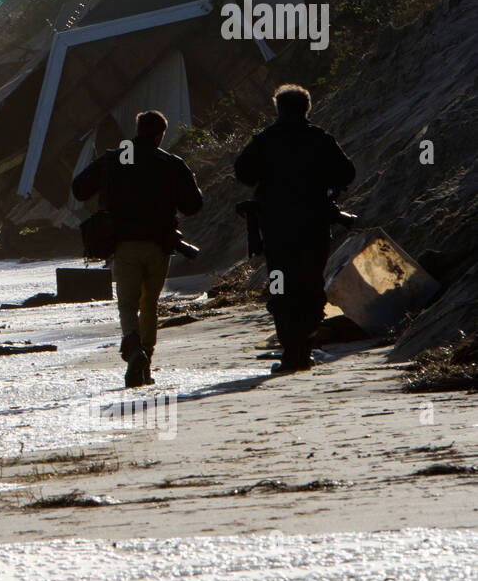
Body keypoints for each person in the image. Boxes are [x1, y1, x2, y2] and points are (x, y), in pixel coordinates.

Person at [72, 109, 203, 388]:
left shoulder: (114, 158)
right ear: (159, 135)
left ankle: (134, 352)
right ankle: (146, 362)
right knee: (149, 304)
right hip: (159, 245)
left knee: (128, 304)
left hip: (123, 244)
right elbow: (194, 205)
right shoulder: (170, 162)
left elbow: (79, 189)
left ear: (137, 129)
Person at [234, 84, 355, 374]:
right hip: (314, 224)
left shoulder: (265, 139)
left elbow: (243, 173)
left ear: (278, 108)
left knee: (281, 285)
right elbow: (347, 173)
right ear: (307, 108)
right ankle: (305, 345)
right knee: (311, 282)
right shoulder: (319, 138)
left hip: (277, 228)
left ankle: (292, 351)